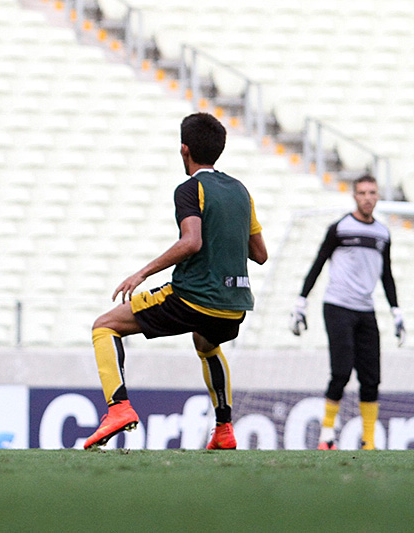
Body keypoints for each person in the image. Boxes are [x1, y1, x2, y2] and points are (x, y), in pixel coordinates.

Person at [83, 112, 268, 450]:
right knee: (206, 344)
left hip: (193, 299)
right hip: (234, 307)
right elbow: (260, 254)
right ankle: (224, 429)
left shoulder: (190, 189)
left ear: (185, 149)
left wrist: (141, 273)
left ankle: (118, 408)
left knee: (104, 326)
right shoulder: (241, 192)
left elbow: (191, 241)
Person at [290, 174, 404, 450]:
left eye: (372, 192)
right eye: (362, 193)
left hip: (366, 310)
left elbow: (386, 274)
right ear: (354, 196)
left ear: (378, 196)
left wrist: (396, 311)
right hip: (338, 306)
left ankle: (369, 442)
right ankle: (327, 436)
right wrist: (301, 301)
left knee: (371, 378)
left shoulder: (383, 233)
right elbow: (318, 263)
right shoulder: (340, 228)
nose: (367, 198)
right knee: (341, 372)